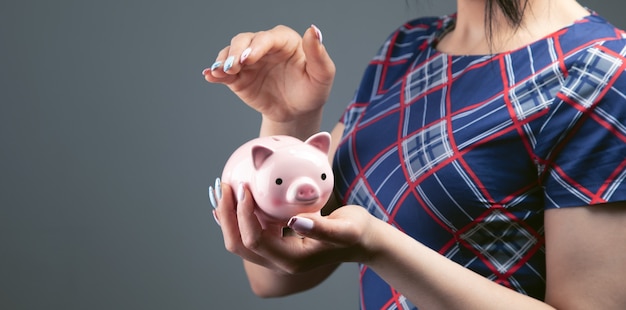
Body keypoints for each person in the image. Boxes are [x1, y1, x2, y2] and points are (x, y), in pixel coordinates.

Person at [203, 0, 626, 308]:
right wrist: (290, 118)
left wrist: (377, 246)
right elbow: (275, 276)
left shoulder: (601, 71)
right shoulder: (408, 48)